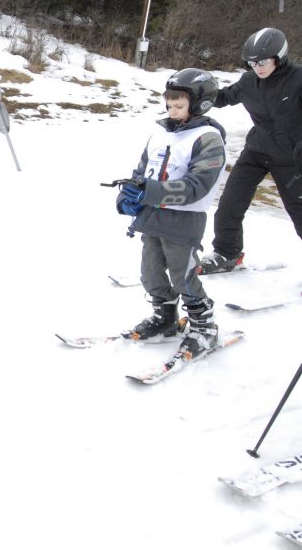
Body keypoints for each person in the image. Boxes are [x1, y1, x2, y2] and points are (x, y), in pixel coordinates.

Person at [116, 68, 227, 358]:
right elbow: (142, 172)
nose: (172, 110)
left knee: (184, 276)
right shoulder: (159, 133)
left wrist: (150, 191)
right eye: (169, 105)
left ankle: (204, 328)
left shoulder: (207, 138)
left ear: (200, 103)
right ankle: (165, 319)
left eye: (179, 106)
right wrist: (129, 196)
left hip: (184, 221)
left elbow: (197, 186)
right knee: (150, 273)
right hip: (152, 218)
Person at [199, 27, 302, 273]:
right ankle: (227, 253)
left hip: (292, 159)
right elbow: (224, 97)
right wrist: (196, 93)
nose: (258, 67)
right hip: (256, 152)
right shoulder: (248, 82)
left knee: (299, 213)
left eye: (264, 61)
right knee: (229, 204)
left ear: (280, 55)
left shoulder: (298, 79)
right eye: (252, 62)